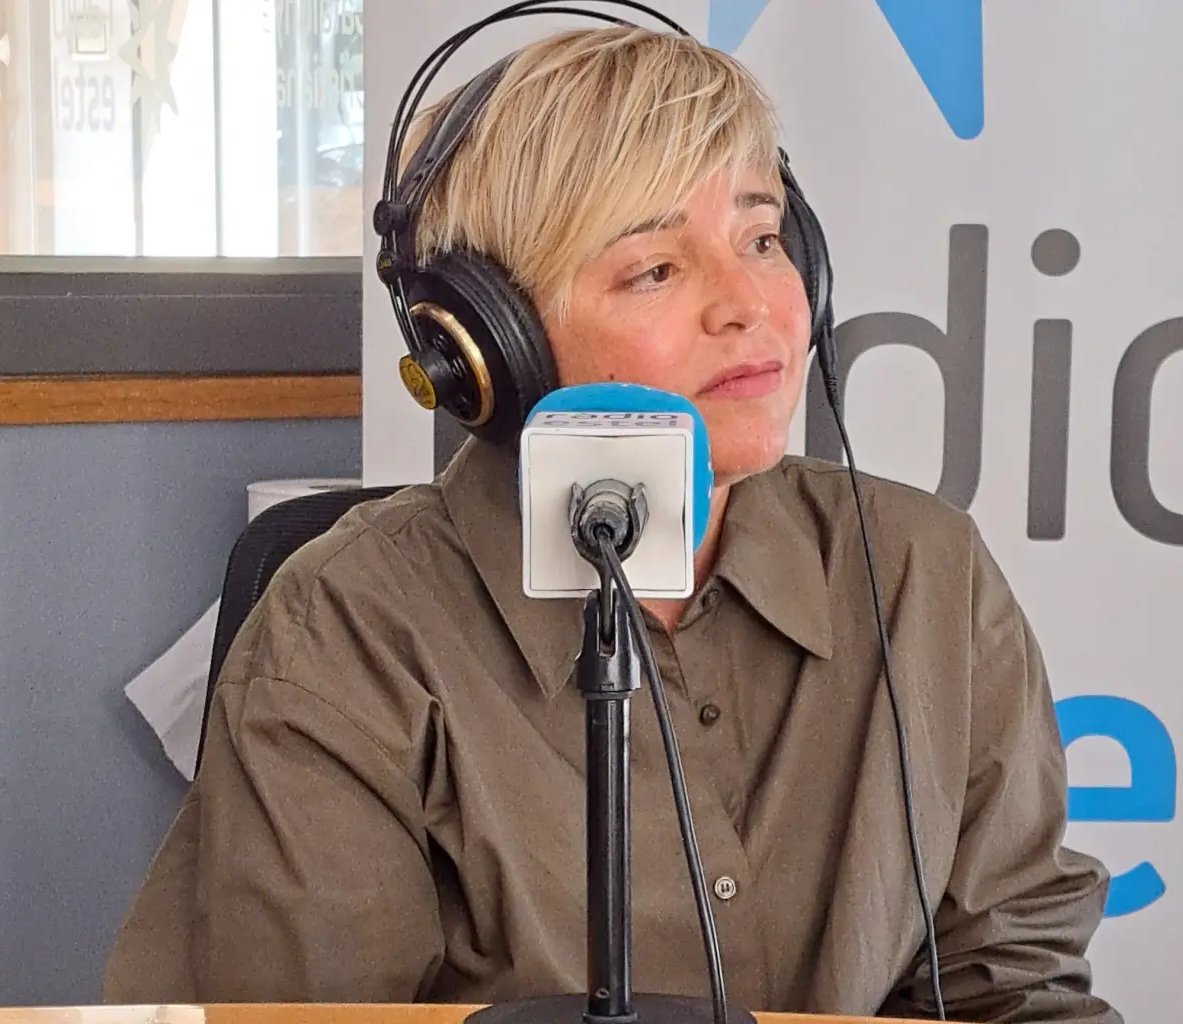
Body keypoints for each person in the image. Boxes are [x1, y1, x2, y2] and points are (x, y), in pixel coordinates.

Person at [104, 23, 1118, 1024]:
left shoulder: (922, 573)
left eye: (762, 240)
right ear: (490, 341)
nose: (748, 305)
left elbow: (1013, 990)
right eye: (655, 269)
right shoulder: (345, 634)